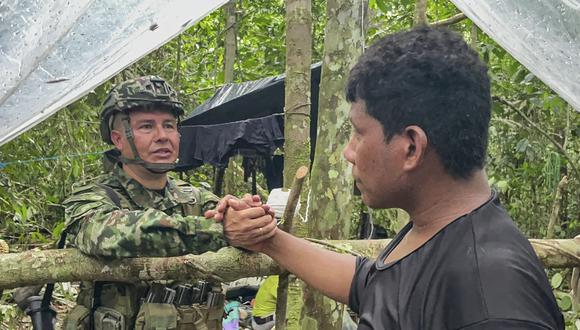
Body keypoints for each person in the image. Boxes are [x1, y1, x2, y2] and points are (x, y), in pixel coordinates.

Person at [209, 27, 565, 329]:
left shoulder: (492, 299)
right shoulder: (434, 231)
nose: (349, 152)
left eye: (358, 133)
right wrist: (269, 239)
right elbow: (372, 284)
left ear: (411, 147)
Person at [61, 76, 270, 330]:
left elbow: (241, 231)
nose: (163, 136)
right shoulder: (94, 195)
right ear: (118, 139)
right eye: (147, 126)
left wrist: (248, 217)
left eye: (169, 125)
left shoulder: (197, 197)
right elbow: (106, 234)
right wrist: (219, 230)